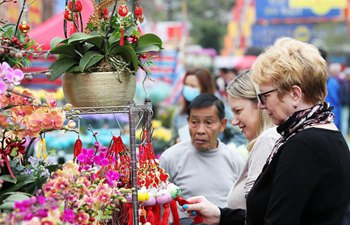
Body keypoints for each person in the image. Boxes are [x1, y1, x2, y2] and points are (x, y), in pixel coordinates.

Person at [184, 37, 350, 225]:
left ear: (294, 94)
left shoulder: (304, 144)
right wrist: (221, 216)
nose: (261, 106)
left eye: (265, 97)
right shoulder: (325, 134)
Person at [160, 93, 245, 225]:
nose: (200, 130)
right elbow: (159, 205)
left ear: (222, 124)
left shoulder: (236, 161)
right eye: (194, 122)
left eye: (208, 123)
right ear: (187, 122)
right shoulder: (170, 158)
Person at [225, 70, 280, 209]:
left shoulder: (267, 140)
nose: (234, 122)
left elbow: (257, 211)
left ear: (260, 104)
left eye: (238, 111)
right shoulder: (271, 139)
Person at [172, 68, 216, 143]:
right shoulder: (180, 114)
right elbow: (173, 139)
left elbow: (237, 135)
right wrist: (177, 143)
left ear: (204, 89)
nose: (188, 89)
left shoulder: (218, 111)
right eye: (186, 85)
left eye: (192, 86)